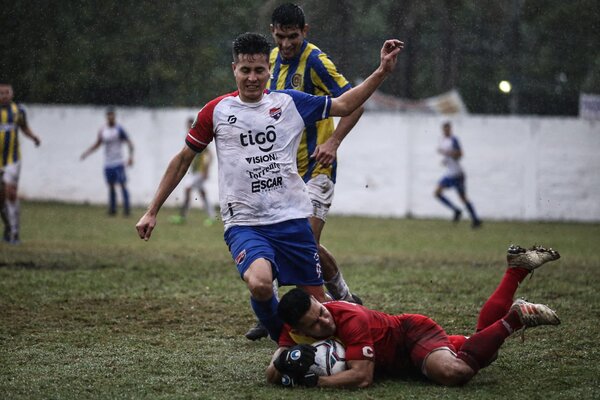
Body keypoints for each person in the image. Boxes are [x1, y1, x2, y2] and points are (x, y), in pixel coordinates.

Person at [135, 32, 404, 342]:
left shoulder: (289, 103)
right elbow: (183, 159)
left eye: (259, 70)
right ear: (233, 69)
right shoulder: (216, 111)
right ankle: (283, 341)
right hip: (245, 224)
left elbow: (344, 104)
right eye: (245, 70)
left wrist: (382, 71)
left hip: (291, 221)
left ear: (268, 70)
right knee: (261, 284)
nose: (252, 78)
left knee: (321, 311)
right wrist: (152, 210)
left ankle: (365, 332)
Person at [267, 244, 561, 388]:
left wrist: (311, 381)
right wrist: (284, 365)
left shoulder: (347, 318)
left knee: (454, 373)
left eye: (321, 311)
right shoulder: (293, 330)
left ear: (320, 301)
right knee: (486, 349)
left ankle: (516, 318)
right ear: (298, 329)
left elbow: (362, 377)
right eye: (315, 324)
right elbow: (272, 372)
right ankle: (517, 269)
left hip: (411, 337)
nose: (324, 321)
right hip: (400, 360)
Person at [244, 2, 366, 342]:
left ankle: (317, 306)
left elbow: (354, 103)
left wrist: (334, 142)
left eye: (293, 37)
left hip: (317, 167)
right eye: (280, 37)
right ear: (272, 32)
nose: (286, 44)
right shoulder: (267, 61)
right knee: (290, 242)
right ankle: (342, 298)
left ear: (305, 31)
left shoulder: (315, 61)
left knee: (305, 241)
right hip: (281, 171)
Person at [0, 82, 41, 244]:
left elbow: (24, 128)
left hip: (13, 159)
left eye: (6, 92)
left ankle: (15, 233)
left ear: (12, 94)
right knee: (1, 199)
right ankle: (8, 227)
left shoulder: (18, 111)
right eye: (1, 93)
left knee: (11, 192)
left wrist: (34, 137)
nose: (3, 96)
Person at [80, 108, 134, 216]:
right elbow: (97, 144)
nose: (110, 118)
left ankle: (127, 209)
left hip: (118, 162)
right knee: (111, 186)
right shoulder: (103, 130)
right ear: (106, 117)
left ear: (114, 116)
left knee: (122, 185)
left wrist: (130, 157)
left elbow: (129, 143)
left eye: (112, 115)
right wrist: (86, 153)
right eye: (109, 115)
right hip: (108, 163)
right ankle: (112, 209)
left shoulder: (119, 130)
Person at [170, 117, 216, 226]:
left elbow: (209, 154)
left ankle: (182, 216)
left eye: (191, 125)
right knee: (202, 193)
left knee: (188, 189)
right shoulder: (188, 138)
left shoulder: (200, 137)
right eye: (188, 126)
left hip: (200, 171)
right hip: (194, 171)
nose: (189, 128)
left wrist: (206, 169)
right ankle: (212, 216)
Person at [434, 121, 482, 228]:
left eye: (448, 129)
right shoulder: (442, 140)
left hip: (457, 174)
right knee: (437, 193)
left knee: (463, 198)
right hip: (449, 173)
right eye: (444, 129)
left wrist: (447, 153)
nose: (446, 131)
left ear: (450, 129)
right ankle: (456, 210)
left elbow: (459, 155)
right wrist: (445, 160)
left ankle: (475, 220)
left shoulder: (454, 140)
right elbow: (448, 156)